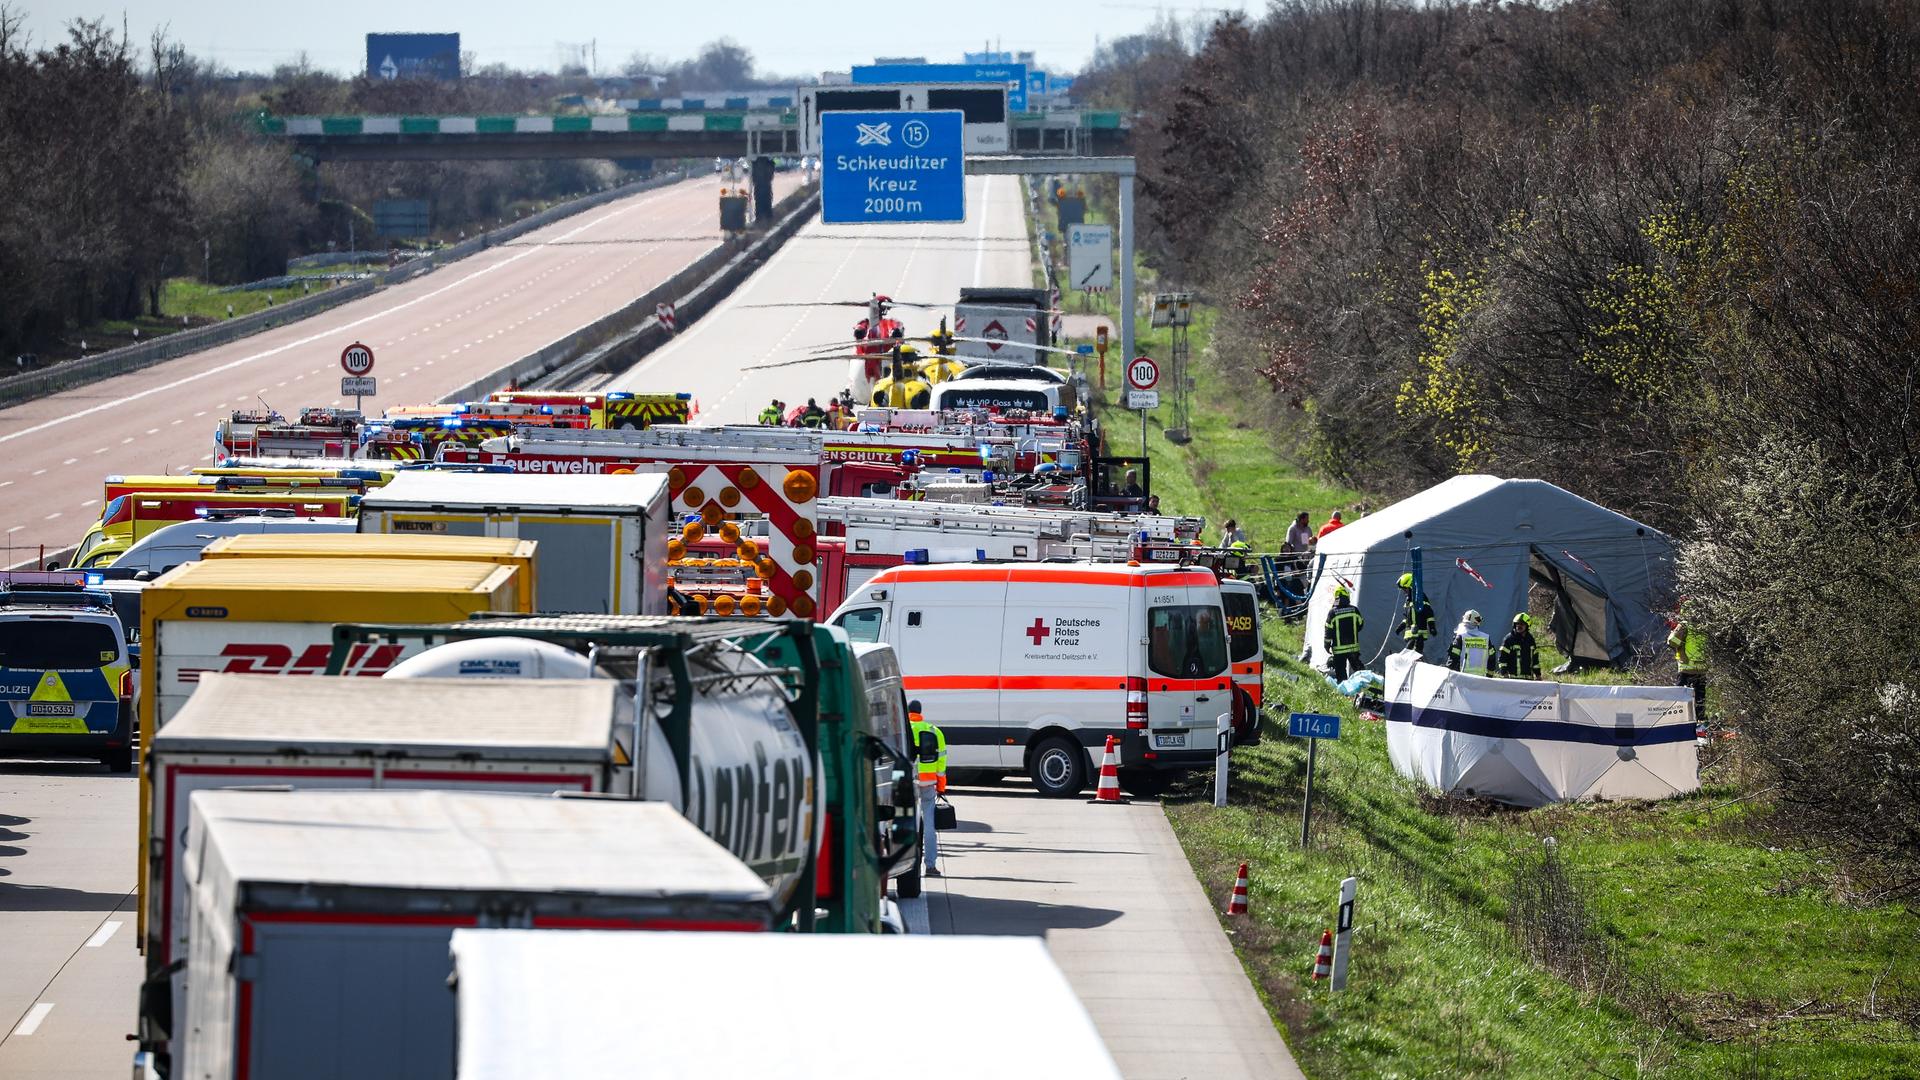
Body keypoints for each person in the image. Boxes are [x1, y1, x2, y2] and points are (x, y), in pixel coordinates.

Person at [907, 699, 946, 878]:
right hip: (928, 784)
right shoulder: (934, 731)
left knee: (903, 823)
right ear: (920, 711)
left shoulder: (902, 728)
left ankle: (905, 864)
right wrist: (941, 787)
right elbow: (941, 764)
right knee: (929, 825)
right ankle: (930, 866)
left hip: (906, 783)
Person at [1668, 611, 1708, 712]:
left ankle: (1678, 717)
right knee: (1700, 696)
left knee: (1679, 694)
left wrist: (1675, 636)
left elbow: (1672, 642)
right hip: (1701, 668)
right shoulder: (1706, 624)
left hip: (1686, 668)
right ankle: (1700, 720)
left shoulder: (1684, 626)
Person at [1324, 585, 1364, 681]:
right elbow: (1360, 625)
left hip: (1339, 650)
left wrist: (1327, 644)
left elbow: (1328, 631)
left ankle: (1345, 692)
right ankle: (1365, 686)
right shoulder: (1355, 610)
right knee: (1358, 669)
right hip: (1353, 648)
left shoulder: (1332, 613)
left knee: (1341, 671)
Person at [1395, 572, 1437, 654]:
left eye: (1405, 589)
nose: (1404, 592)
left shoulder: (1421, 598)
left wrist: (1432, 627)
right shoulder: (1408, 601)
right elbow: (1407, 617)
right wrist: (1401, 627)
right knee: (1409, 651)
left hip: (1419, 633)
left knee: (1416, 651)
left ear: (1411, 586)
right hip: (1410, 634)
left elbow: (1429, 614)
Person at [1498, 613, 1543, 681]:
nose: (1518, 626)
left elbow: (1535, 660)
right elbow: (1502, 659)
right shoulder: (1509, 639)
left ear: (1527, 626)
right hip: (1512, 679)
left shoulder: (1530, 640)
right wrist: (1504, 674)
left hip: (1528, 679)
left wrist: (1538, 675)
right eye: (1517, 624)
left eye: (1522, 624)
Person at [1446, 610, 1492, 675]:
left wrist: (1449, 674)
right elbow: (1492, 658)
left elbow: (1453, 659)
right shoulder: (1486, 638)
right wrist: (1490, 675)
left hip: (1464, 679)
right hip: (1482, 679)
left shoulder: (1461, 637)